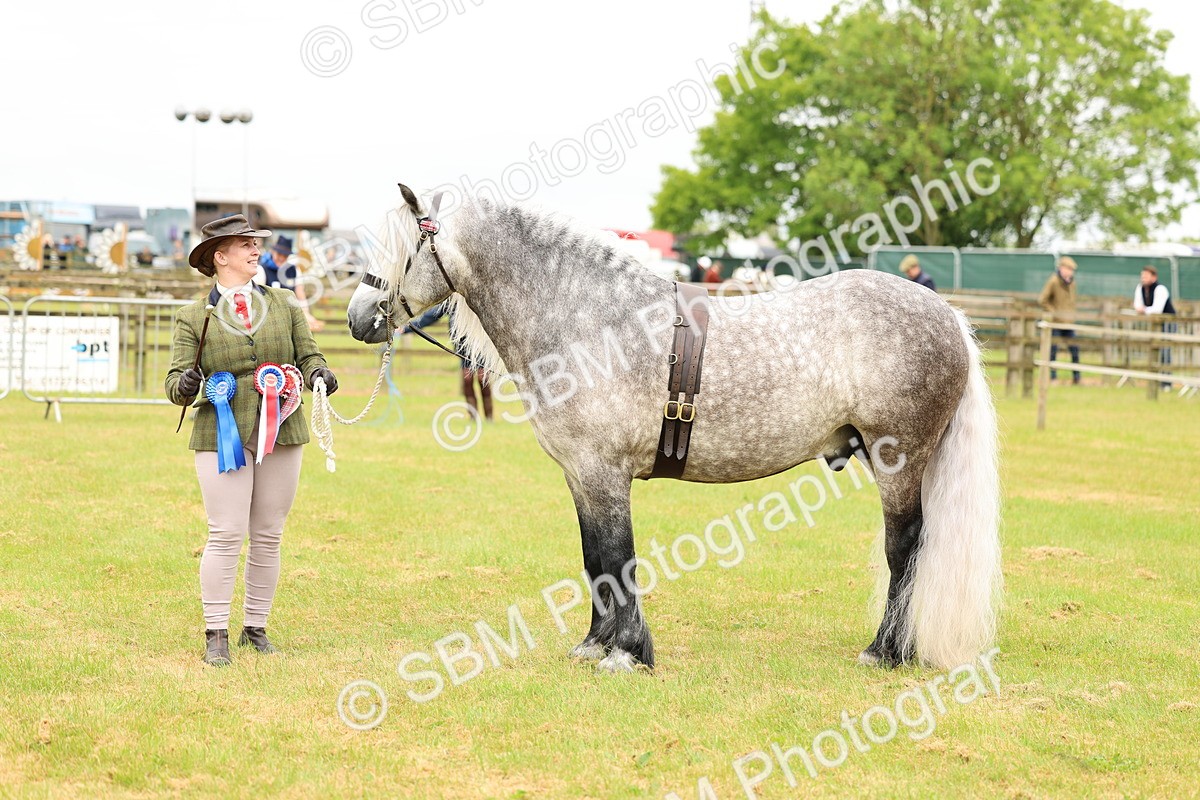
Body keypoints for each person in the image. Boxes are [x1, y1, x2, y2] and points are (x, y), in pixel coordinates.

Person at [165, 214, 338, 667]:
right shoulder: (190, 317)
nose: (255, 249)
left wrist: (319, 371)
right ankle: (216, 633)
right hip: (220, 433)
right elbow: (172, 383)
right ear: (220, 257)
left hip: (282, 426)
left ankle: (255, 628)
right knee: (225, 533)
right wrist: (185, 386)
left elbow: (309, 353)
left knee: (268, 534)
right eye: (245, 244)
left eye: (255, 242)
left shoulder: (284, 304)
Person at [402, 304, 493, 420]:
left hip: (480, 344)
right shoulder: (452, 301)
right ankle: (473, 417)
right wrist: (407, 328)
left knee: (482, 378)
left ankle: (489, 417)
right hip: (462, 347)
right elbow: (430, 316)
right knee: (467, 379)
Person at [259, 235, 324, 332]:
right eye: (279, 254)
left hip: (288, 316)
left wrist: (306, 314)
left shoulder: (293, 270)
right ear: (273, 252)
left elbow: (300, 293)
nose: (281, 258)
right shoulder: (262, 270)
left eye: (285, 256)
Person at [1133, 265, 1177, 389]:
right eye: (1142, 276)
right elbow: (1137, 305)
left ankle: (1166, 382)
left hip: (1168, 323)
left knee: (1165, 352)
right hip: (1155, 325)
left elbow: (1157, 309)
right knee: (1155, 352)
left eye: (1146, 276)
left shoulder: (1160, 289)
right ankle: (1156, 380)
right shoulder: (1140, 288)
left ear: (1154, 277)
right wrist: (1144, 310)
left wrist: (1144, 310)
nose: (1143, 278)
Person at [1038, 256, 1080, 384]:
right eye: (1068, 268)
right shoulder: (1054, 281)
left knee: (1075, 349)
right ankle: (1053, 377)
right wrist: (1054, 312)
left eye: (1072, 269)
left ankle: (1076, 377)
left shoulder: (1072, 283)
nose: (1070, 272)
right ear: (1061, 268)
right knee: (1053, 350)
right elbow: (1042, 299)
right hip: (1055, 323)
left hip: (1068, 323)